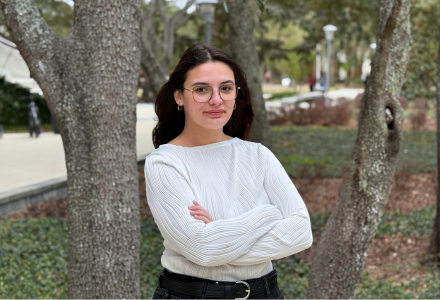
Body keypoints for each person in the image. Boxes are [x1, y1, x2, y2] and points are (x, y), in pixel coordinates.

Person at [144, 44, 313, 300]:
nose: (216, 99)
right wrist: (266, 215)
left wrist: (220, 231)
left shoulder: (258, 155)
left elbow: (300, 233)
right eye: (201, 89)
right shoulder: (164, 163)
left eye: (225, 88)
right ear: (179, 96)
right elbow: (202, 248)